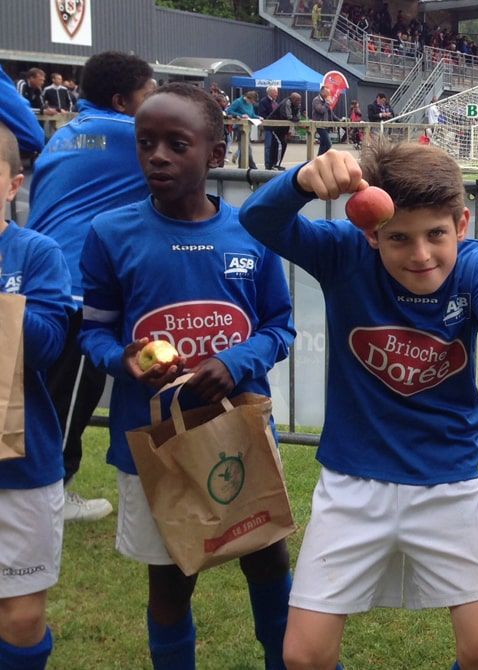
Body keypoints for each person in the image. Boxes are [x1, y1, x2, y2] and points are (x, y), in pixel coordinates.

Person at [238, 144, 478, 670]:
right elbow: (258, 217)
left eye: (437, 234)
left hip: (448, 481)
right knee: (304, 656)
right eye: (399, 239)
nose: (421, 255)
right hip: (353, 482)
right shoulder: (344, 253)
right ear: (370, 234)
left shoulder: (476, 265)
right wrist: (302, 178)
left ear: (462, 222)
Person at [78, 82, 295, 669]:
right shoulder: (109, 235)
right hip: (157, 447)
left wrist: (235, 363)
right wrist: (120, 358)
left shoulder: (252, 234)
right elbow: (92, 331)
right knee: (171, 583)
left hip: (240, 433)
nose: (158, 157)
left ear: (216, 153)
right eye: (146, 143)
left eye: (178, 144)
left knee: (268, 563)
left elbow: (280, 326)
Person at [25, 51, 156, 524]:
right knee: (73, 392)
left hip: (35, 276)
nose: (156, 103)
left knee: (42, 391)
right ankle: (52, 494)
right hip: (74, 286)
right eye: (150, 94)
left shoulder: (64, 135)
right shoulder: (133, 135)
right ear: (123, 101)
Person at [0, 124, 74, 670]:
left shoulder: (36, 253)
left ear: (12, 184)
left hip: (22, 465)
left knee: (21, 617)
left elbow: (49, 348)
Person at [225, 90, 261, 168]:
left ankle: (242, 167)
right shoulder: (238, 102)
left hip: (248, 128)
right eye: (252, 101)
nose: (252, 103)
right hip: (240, 129)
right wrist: (241, 115)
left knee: (244, 149)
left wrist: (258, 117)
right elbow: (229, 111)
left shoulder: (250, 104)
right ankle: (253, 166)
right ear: (248, 98)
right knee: (246, 149)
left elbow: (252, 114)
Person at [268, 92, 303, 168]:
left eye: (300, 100)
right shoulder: (286, 103)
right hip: (275, 127)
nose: (299, 102)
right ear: (292, 99)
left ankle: (276, 164)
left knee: (283, 144)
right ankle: (274, 165)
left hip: (284, 128)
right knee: (279, 144)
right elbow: (287, 116)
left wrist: (295, 119)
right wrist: (294, 118)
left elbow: (298, 117)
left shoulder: (297, 105)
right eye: (297, 100)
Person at [257, 86, 281, 169]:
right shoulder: (264, 101)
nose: (277, 94)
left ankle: (274, 163)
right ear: (270, 92)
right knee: (268, 146)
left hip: (276, 127)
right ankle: (268, 165)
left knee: (275, 145)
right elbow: (262, 114)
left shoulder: (275, 102)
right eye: (275, 92)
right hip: (268, 127)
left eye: (277, 92)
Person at [311, 86, 337, 156]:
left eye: (329, 93)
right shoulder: (316, 100)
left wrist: (339, 119)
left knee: (323, 145)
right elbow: (321, 110)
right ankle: (322, 159)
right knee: (328, 144)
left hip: (326, 125)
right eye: (327, 92)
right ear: (322, 92)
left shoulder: (325, 101)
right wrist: (327, 103)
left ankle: (319, 159)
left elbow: (330, 113)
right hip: (320, 125)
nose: (328, 94)